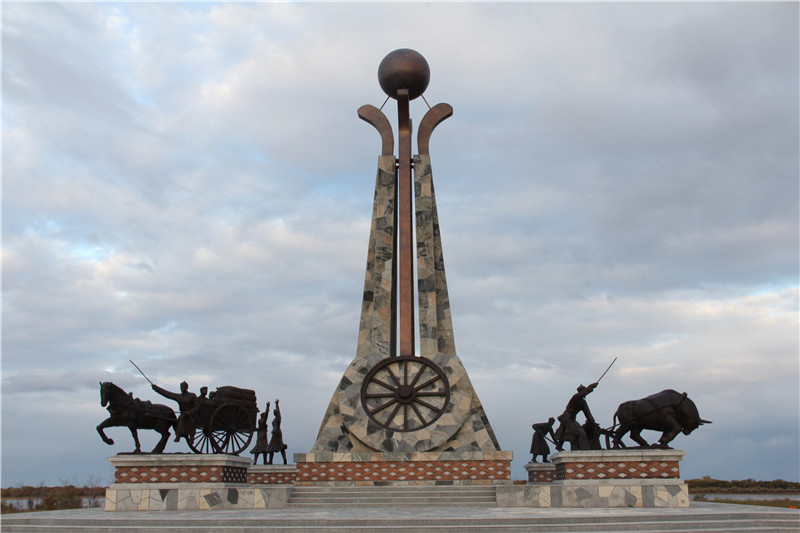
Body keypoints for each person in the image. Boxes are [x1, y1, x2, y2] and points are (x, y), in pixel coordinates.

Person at [554, 382, 598, 451]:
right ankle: (573, 447)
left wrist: (591, 421)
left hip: (572, 419)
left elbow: (587, 412)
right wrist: (592, 386)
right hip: (567, 417)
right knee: (577, 432)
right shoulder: (575, 397)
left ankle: (561, 446)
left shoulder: (583, 402)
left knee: (570, 431)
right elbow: (584, 393)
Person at [265, 399, 287, 465]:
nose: (274, 412)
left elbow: (279, 413)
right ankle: (271, 461)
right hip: (275, 433)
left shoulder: (278, 418)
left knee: (278, 446)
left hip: (277, 433)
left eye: (274, 411)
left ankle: (284, 459)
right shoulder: (275, 419)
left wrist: (277, 404)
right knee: (273, 447)